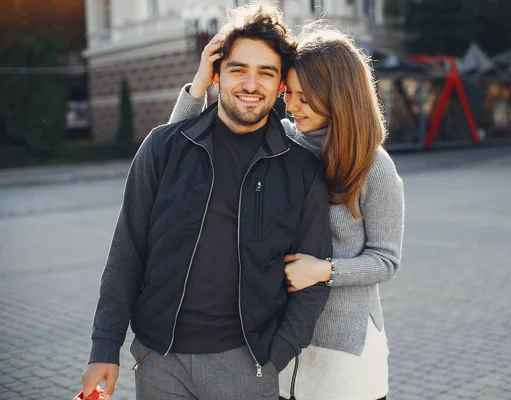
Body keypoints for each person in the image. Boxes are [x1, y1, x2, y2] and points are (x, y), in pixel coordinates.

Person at [81, 4, 333, 400]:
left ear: (281, 85)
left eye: (265, 72)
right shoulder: (163, 147)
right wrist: (104, 347)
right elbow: (126, 251)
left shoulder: (302, 169)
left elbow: (313, 280)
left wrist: (276, 357)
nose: (251, 83)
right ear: (216, 74)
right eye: (238, 69)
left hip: (247, 365)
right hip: (159, 360)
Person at [169, 23, 405, 400]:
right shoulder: (283, 139)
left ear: (337, 95)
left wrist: (323, 271)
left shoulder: (374, 166)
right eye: (289, 93)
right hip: (278, 338)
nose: (291, 106)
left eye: (304, 97)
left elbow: (387, 259)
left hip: (342, 349)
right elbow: (176, 152)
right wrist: (199, 85)